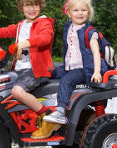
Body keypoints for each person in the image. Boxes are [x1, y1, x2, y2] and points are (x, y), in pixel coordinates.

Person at [31, 0, 108, 139]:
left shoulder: (90, 33)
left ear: (88, 13)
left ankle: (60, 112)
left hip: (85, 69)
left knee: (66, 81)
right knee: (49, 74)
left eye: (83, 10)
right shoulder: (69, 27)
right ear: (68, 13)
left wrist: (96, 72)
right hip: (69, 66)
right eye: (76, 10)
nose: (80, 13)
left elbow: (96, 53)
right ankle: (44, 105)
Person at [0, 0, 57, 128]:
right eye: (27, 5)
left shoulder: (45, 23)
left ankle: (46, 116)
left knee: (17, 91)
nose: (32, 8)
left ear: (41, 6)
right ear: (21, 8)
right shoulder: (21, 25)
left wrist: (24, 43)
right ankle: (20, 123)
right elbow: (5, 31)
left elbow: (45, 38)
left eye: (35, 4)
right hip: (20, 69)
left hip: (36, 70)